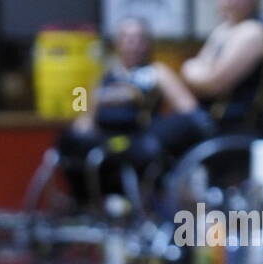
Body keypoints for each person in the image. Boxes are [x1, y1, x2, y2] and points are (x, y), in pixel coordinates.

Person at [55, 16, 196, 204]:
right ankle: (80, 203)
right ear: (118, 43)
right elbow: (83, 106)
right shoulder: (105, 73)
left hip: (136, 139)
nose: (133, 45)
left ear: (147, 44)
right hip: (103, 136)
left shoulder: (157, 72)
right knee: (68, 140)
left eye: (139, 39)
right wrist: (84, 121)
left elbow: (188, 108)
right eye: (128, 39)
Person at [152, 0, 263, 158]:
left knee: (155, 138)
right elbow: (196, 73)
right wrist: (194, 71)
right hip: (206, 116)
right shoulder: (225, 29)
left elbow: (213, 83)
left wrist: (192, 70)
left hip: (230, 123)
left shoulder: (253, 32)